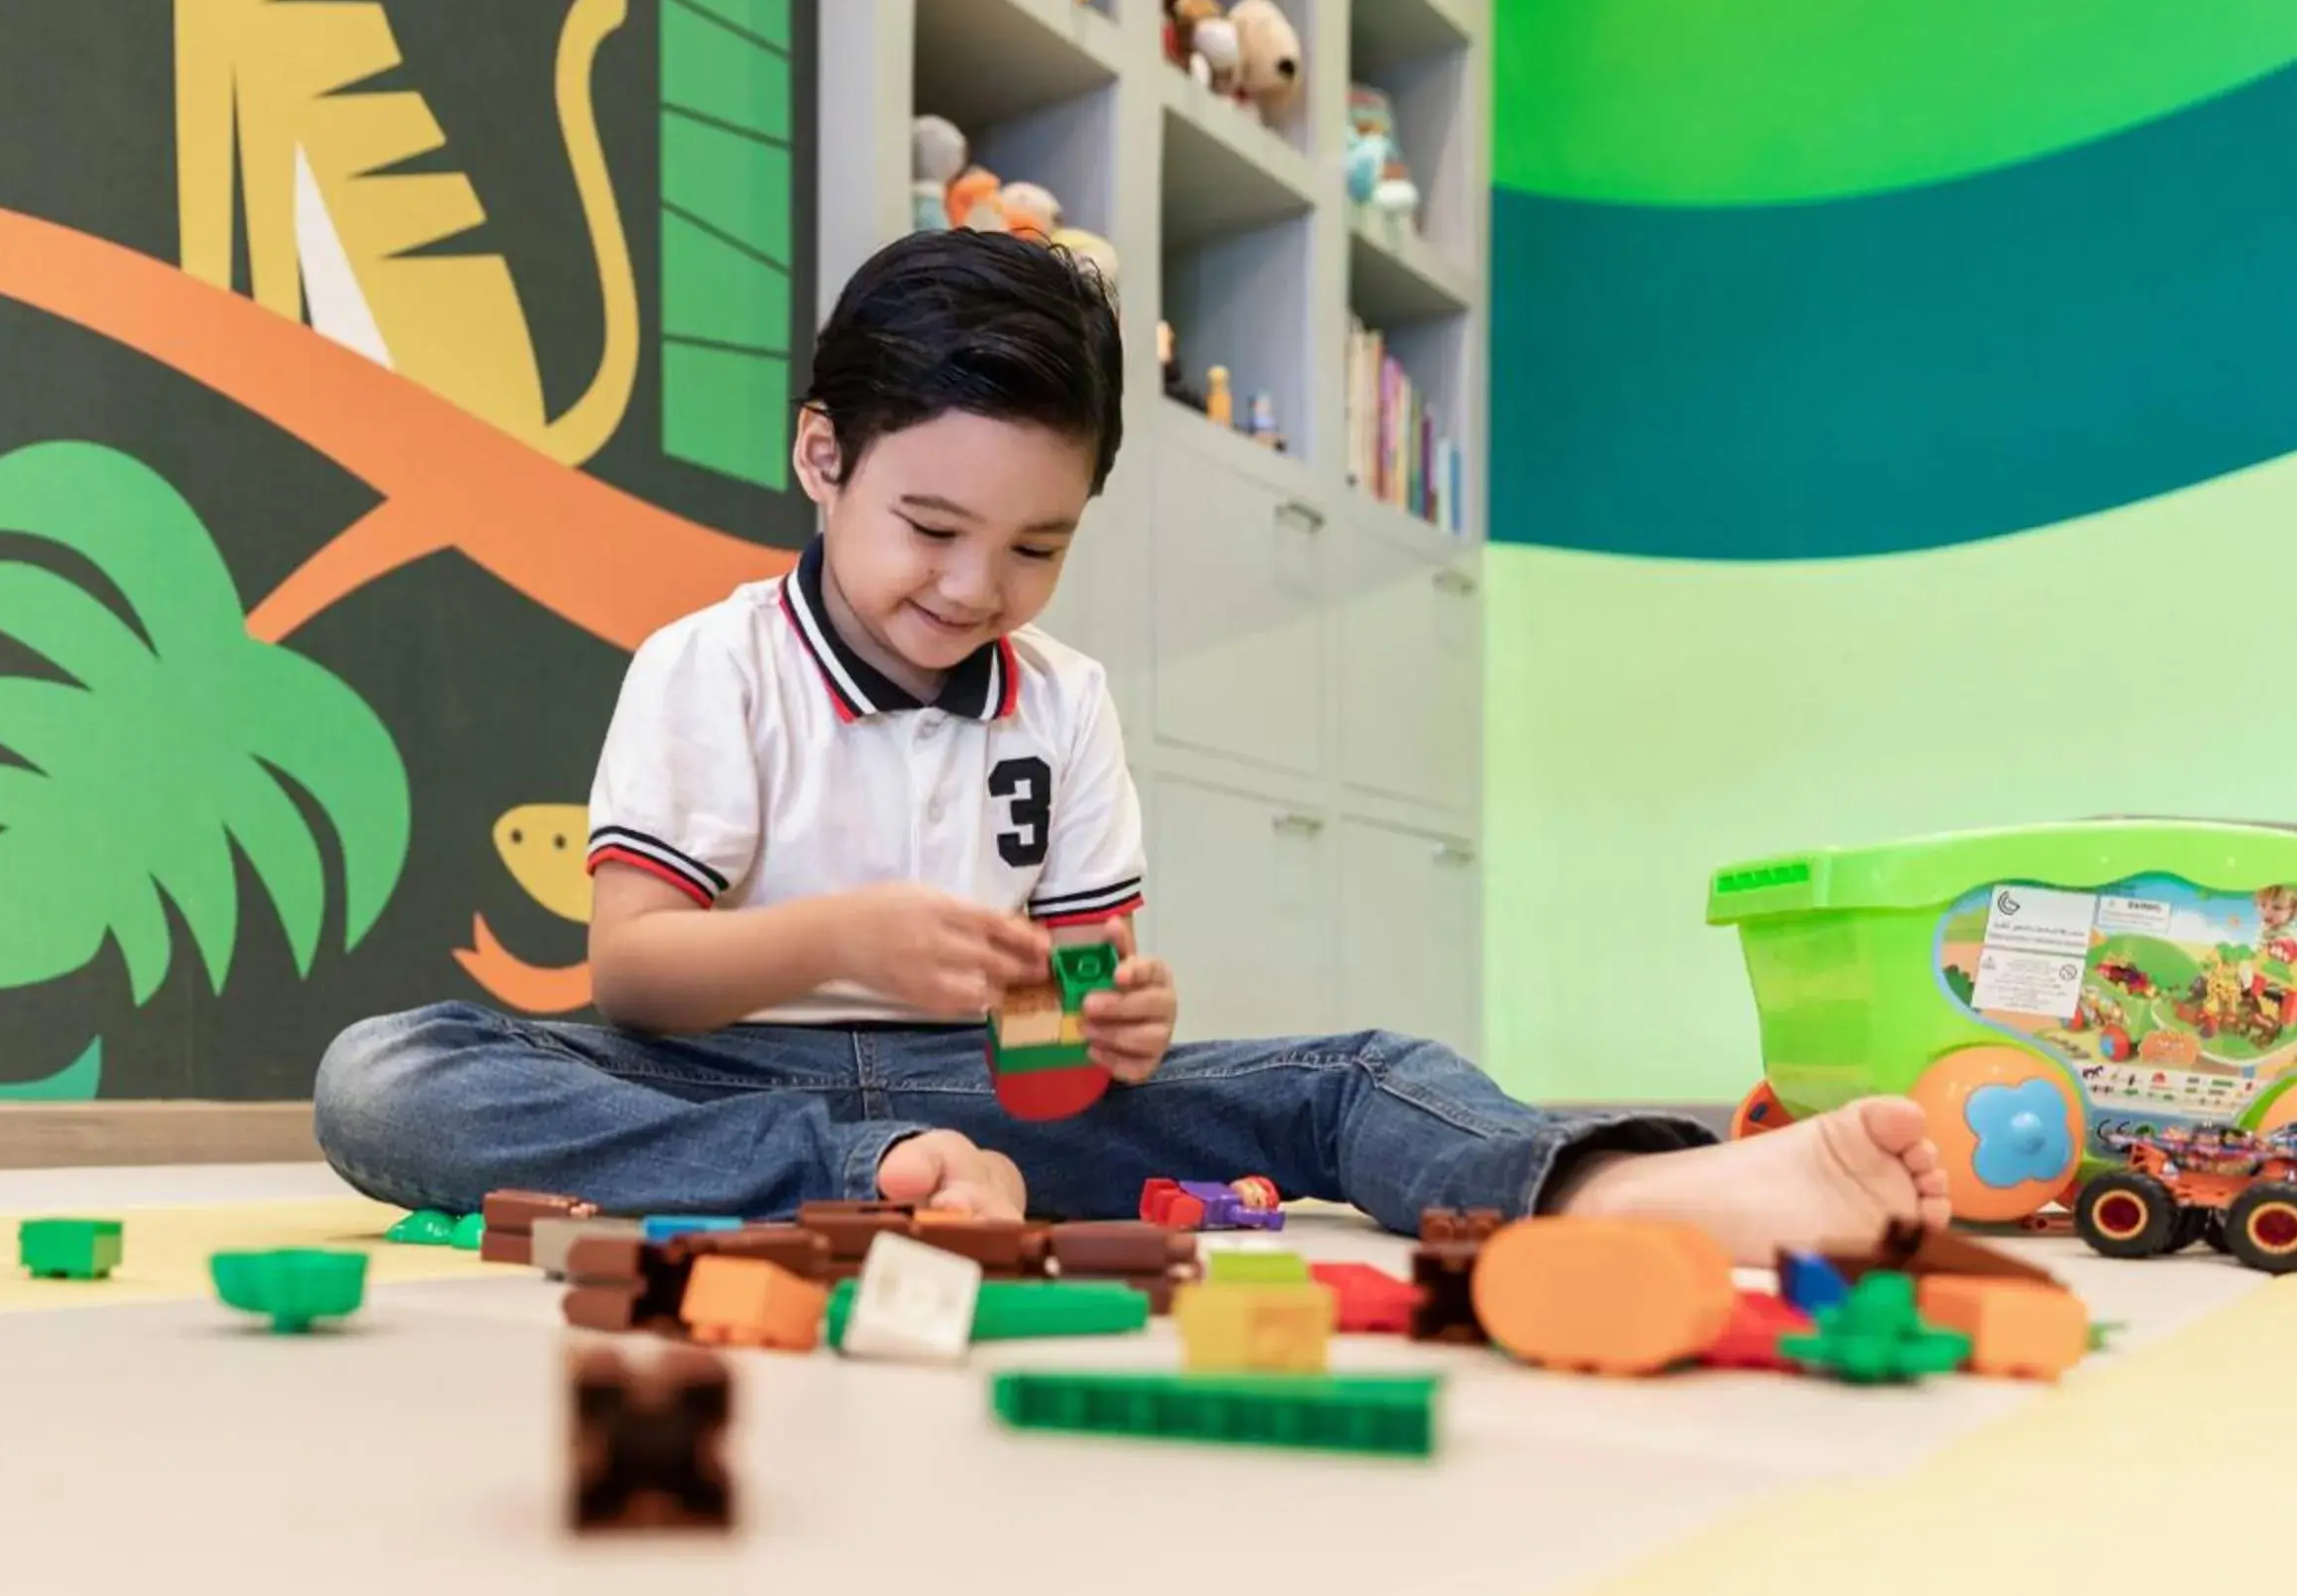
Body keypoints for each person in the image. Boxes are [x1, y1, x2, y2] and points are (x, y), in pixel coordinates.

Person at [314, 232, 1950, 1262]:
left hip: (991, 1110)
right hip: (732, 1079)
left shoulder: (1067, 703)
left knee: (1357, 1076)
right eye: (930, 528)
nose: (972, 589)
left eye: (1035, 548)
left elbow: (1062, 1028)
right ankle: (875, 1169)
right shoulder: (709, 668)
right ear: (824, 455)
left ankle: (1621, 1193)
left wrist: (1112, 1028)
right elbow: (632, 977)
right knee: (390, 1078)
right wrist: (842, 942)